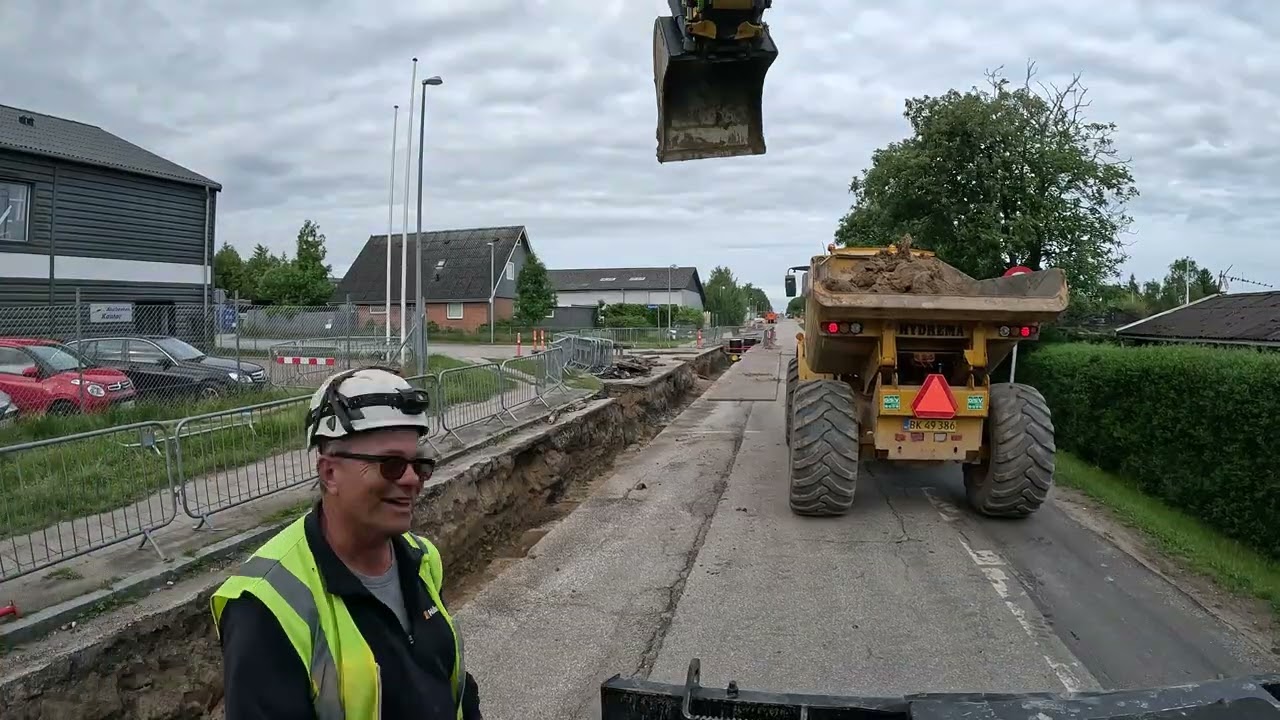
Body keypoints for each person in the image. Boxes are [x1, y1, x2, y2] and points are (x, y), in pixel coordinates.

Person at [211, 366, 482, 719]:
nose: (413, 480)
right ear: (330, 473)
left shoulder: (422, 558)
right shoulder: (266, 604)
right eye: (391, 465)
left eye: (420, 464)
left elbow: (455, 691)